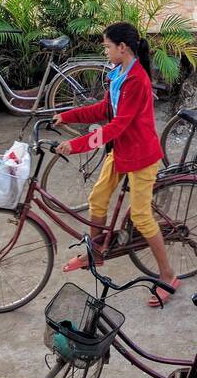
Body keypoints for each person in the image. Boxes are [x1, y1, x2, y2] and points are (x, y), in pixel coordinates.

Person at [53, 22, 177, 306]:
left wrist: (77, 145)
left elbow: (117, 125)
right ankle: (96, 254)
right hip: (121, 152)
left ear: (122, 48)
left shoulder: (137, 81)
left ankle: (168, 275)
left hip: (142, 156)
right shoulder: (118, 74)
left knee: (142, 217)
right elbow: (103, 110)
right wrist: (68, 116)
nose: (105, 50)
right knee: (98, 198)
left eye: (107, 46)